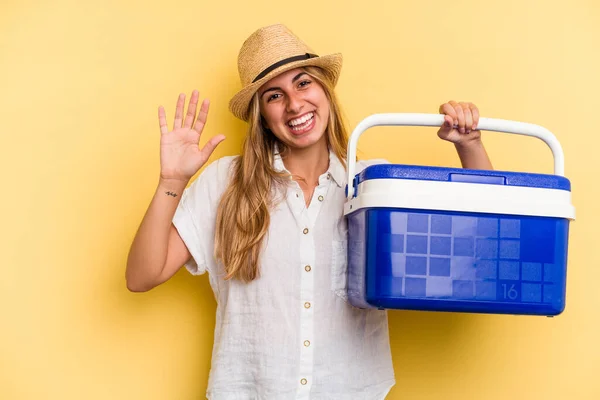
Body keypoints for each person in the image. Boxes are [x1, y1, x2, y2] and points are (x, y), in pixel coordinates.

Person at [126, 24, 493, 399]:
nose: (294, 104)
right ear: (262, 116)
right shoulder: (224, 183)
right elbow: (142, 275)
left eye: (303, 83)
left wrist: (471, 145)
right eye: (274, 95)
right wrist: (171, 180)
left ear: (325, 91)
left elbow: (483, 238)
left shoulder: (374, 184)